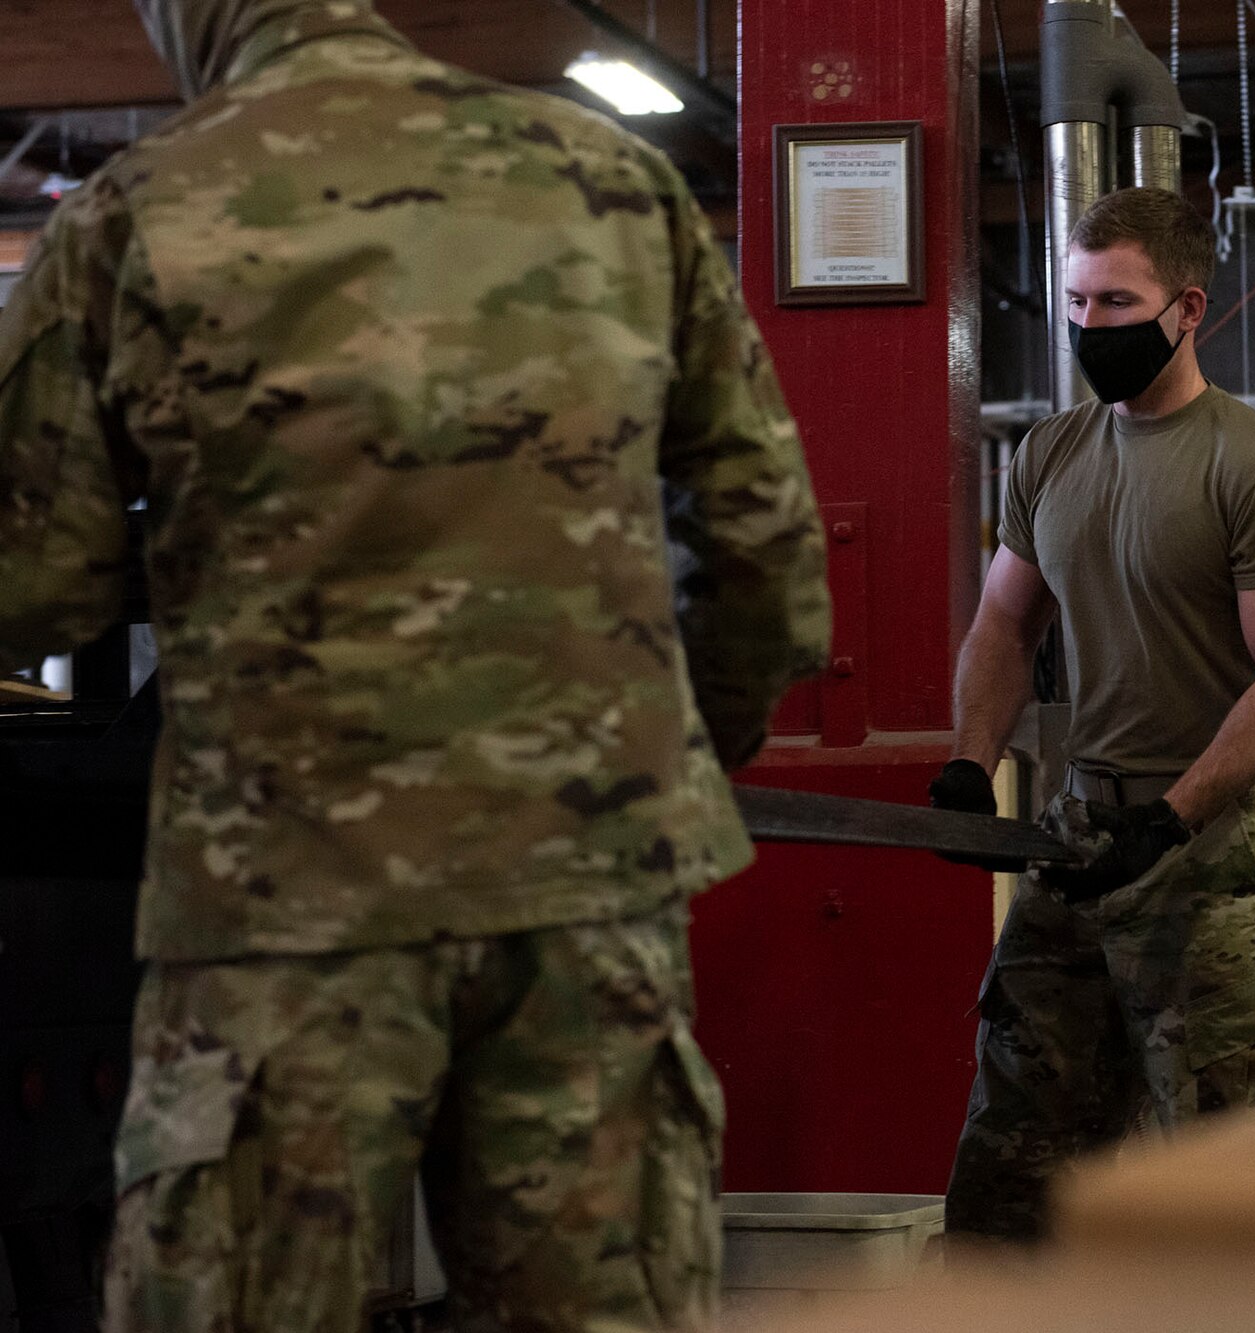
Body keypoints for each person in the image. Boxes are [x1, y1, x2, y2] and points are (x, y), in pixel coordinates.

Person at [0, 1, 830, 1327]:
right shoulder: (605, 179)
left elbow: (36, 581)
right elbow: (766, 559)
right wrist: (650, 778)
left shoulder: (136, 213)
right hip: (586, 895)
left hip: (284, 909)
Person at [931, 187, 1255, 1241]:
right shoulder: (1048, 456)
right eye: (1073, 303)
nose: (1087, 328)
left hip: (1213, 859)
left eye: (1115, 303)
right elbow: (998, 627)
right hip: (1075, 841)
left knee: (1250, 1191)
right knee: (1013, 1179)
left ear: (1187, 308)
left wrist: (1173, 813)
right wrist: (972, 767)